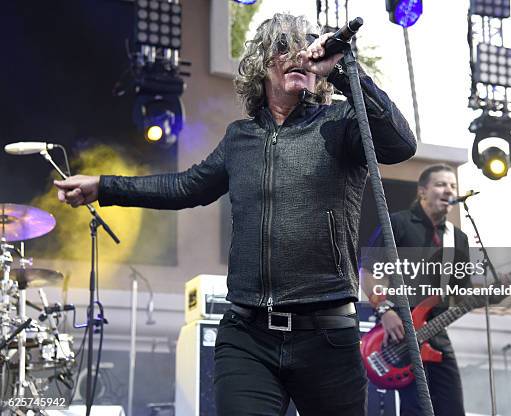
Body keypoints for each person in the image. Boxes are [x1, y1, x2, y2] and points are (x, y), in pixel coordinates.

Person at [54, 14, 416, 416]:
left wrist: (347, 71)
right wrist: (105, 187)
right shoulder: (239, 138)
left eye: (305, 49)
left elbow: (401, 144)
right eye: (283, 48)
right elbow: (185, 187)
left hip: (327, 336)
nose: (297, 56)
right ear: (262, 66)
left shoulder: (342, 124)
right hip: (249, 336)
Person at [361, 164, 470, 416]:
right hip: (401, 333)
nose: (449, 190)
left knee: (453, 409)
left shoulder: (458, 239)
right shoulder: (397, 224)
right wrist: (386, 310)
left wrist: (492, 292)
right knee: (416, 410)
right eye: (442, 184)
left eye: (453, 186)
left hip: (437, 333)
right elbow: (368, 272)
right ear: (422, 191)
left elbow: (459, 294)